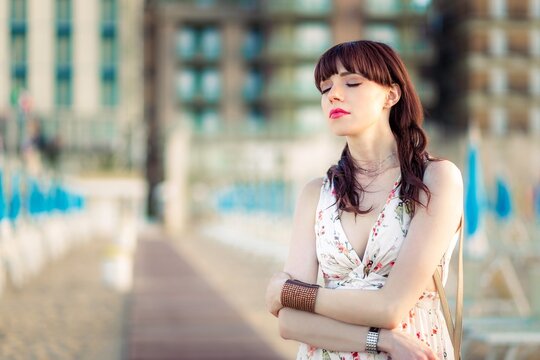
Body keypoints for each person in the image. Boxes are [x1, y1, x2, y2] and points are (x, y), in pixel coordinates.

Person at [265, 40, 463, 360]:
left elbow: (390, 307)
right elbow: (288, 322)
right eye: (324, 87)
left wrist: (291, 293)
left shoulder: (436, 180)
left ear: (391, 95)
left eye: (352, 82)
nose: (334, 94)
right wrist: (383, 341)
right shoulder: (316, 194)